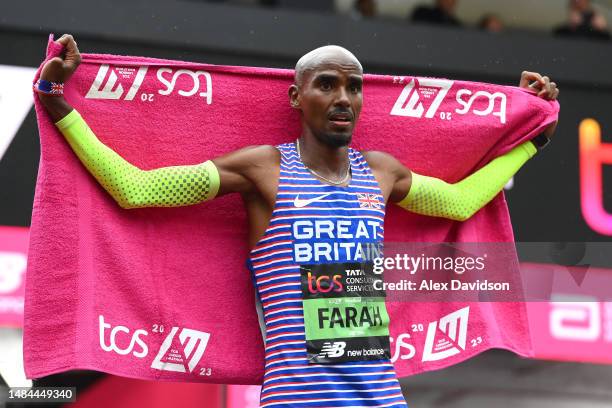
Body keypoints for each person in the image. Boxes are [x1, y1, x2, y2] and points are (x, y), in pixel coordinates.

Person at [36, 34, 559, 407]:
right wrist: (57, 101)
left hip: (381, 397)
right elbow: (136, 190)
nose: (343, 99)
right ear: (296, 96)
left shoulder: (381, 174)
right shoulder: (263, 169)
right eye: (327, 85)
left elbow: (461, 202)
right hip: (297, 399)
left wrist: (528, 140)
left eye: (353, 88)